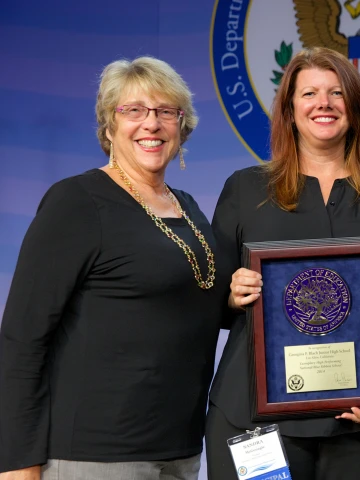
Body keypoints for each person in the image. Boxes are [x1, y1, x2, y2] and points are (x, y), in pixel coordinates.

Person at [0, 57, 225, 479]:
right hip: (98, 454)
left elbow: (198, 302)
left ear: (183, 124)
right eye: (133, 110)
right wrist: (17, 463)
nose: (151, 124)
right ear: (109, 125)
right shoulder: (77, 202)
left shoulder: (188, 208)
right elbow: (22, 337)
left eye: (165, 112)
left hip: (180, 451)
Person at [205, 47, 360, 480]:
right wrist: (232, 292)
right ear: (289, 109)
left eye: (337, 93)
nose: (324, 103)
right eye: (310, 93)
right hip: (256, 419)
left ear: (355, 108)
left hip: (358, 421)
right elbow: (207, 300)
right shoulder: (246, 189)